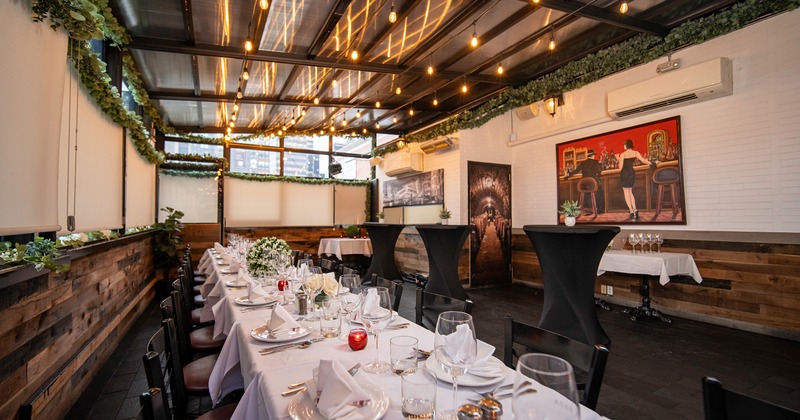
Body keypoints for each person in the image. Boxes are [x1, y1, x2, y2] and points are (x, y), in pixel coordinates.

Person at [617, 139, 651, 220]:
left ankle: (631, 211)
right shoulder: (636, 153)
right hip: (631, 173)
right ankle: (635, 210)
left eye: (624, 145)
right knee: (631, 192)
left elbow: (620, 168)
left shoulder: (623, 154)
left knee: (626, 193)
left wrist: (618, 158)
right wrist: (652, 163)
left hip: (624, 174)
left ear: (626, 145)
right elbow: (643, 160)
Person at [571, 149, 605, 215]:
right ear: (592, 156)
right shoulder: (595, 162)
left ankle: (587, 210)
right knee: (600, 191)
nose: (594, 156)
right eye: (594, 155)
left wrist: (568, 175)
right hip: (593, 182)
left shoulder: (583, 163)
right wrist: (600, 162)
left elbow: (576, 171)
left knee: (586, 193)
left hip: (584, 184)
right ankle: (600, 210)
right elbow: (599, 171)